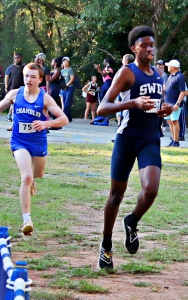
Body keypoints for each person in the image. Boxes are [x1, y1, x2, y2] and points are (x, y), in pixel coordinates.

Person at [96, 25, 173, 269]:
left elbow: (154, 107)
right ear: (134, 48)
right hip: (127, 138)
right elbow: (103, 107)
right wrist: (131, 102)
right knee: (116, 195)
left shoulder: (159, 74)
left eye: (152, 45)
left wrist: (165, 109)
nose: (150, 49)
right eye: (144, 45)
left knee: (150, 190)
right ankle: (106, 246)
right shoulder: (126, 73)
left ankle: (132, 221)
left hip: (150, 138)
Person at [0, 62, 69, 236]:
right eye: (26, 76)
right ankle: (27, 220)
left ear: (40, 79)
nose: (28, 79)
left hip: (38, 143)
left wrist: (47, 123)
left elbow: (63, 119)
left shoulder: (45, 98)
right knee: (27, 176)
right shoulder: (15, 94)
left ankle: (32, 181)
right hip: (19, 142)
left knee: (37, 174)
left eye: (32, 76)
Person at [164, 59, 186, 147]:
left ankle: (176, 141)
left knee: (174, 121)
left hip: (174, 103)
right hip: (168, 103)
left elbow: (183, 91)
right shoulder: (171, 76)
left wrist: (177, 103)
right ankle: (173, 140)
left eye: (169, 65)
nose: (167, 67)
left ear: (173, 67)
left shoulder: (180, 76)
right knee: (169, 121)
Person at [5, 53, 25, 129]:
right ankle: (14, 125)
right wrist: (7, 87)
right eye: (15, 58)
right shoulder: (12, 67)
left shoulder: (24, 67)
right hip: (12, 90)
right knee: (14, 108)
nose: (17, 60)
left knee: (20, 108)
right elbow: (7, 77)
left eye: (18, 58)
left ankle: (19, 124)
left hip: (21, 90)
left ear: (21, 58)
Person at [59, 56, 75, 122]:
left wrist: (66, 85)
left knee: (67, 103)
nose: (65, 63)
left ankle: (64, 117)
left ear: (68, 62)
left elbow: (72, 78)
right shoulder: (62, 71)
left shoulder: (70, 69)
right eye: (64, 61)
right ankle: (69, 118)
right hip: (63, 88)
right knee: (64, 102)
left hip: (70, 87)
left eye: (66, 61)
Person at [49, 57, 62, 126]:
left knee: (53, 104)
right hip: (51, 88)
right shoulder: (53, 71)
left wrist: (46, 74)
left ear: (55, 64)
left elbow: (51, 79)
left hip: (55, 88)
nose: (51, 63)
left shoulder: (57, 71)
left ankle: (56, 121)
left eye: (52, 62)